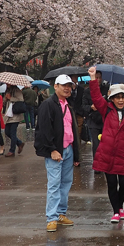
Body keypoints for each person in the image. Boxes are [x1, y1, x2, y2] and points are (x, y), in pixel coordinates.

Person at [87, 66, 124, 222]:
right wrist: (92, 79)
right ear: (111, 98)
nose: (120, 100)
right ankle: (116, 211)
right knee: (111, 183)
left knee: (123, 184)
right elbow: (96, 97)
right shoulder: (106, 109)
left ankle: (121, 206)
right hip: (108, 153)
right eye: (117, 97)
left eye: (123, 97)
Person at [35, 75, 79, 232]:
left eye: (70, 85)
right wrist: (52, 149)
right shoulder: (48, 104)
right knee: (54, 183)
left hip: (69, 149)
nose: (67, 88)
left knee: (66, 182)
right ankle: (51, 217)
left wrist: (77, 154)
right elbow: (44, 128)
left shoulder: (68, 104)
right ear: (56, 86)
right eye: (64, 85)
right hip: (56, 150)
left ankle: (61, 213)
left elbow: (72, 128)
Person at [82, 70, 106, 165]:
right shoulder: (87, 91)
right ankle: (97, 163)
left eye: (100, 77)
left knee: (106, 143)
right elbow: (83, 106)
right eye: (96, 77)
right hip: (93, 120)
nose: (98, 79)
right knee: (96, 143)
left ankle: (104, 162)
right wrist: (91, 108)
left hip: (104, 119)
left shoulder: (106, 89)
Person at [4, 84, 26, 156]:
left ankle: (12, 150)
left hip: (15, 114)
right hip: (8, 115)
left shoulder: (17, 90)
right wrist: (6, 99)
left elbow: (21, 100)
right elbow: (5, 102)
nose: (7, 84)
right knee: (7, 132)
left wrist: (11, 98)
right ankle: (19, 143)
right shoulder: (7, 90)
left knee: (12, 133)